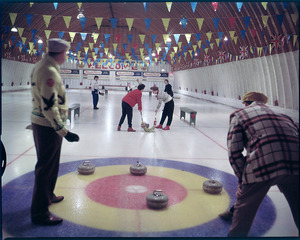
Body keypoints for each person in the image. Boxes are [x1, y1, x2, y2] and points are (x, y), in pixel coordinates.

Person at [226, 91, 299, 237]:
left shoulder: (239, 114)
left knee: (243, 212)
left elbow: (234, 152)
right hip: (296, 164)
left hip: (263, 164)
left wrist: (243, 180)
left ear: (246, 103)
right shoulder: (285, 116)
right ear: (263, 103)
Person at [30, 38, 80, 225]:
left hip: (44, 124)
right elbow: (49, 106)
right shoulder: (48, 71)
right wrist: (63, 132)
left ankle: (48, 195)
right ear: (59, 53)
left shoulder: (41, 66)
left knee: (50, 165)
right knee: (45, 168)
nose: (66, 57)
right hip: (48, 126)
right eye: (65, 54)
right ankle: (40, 214)